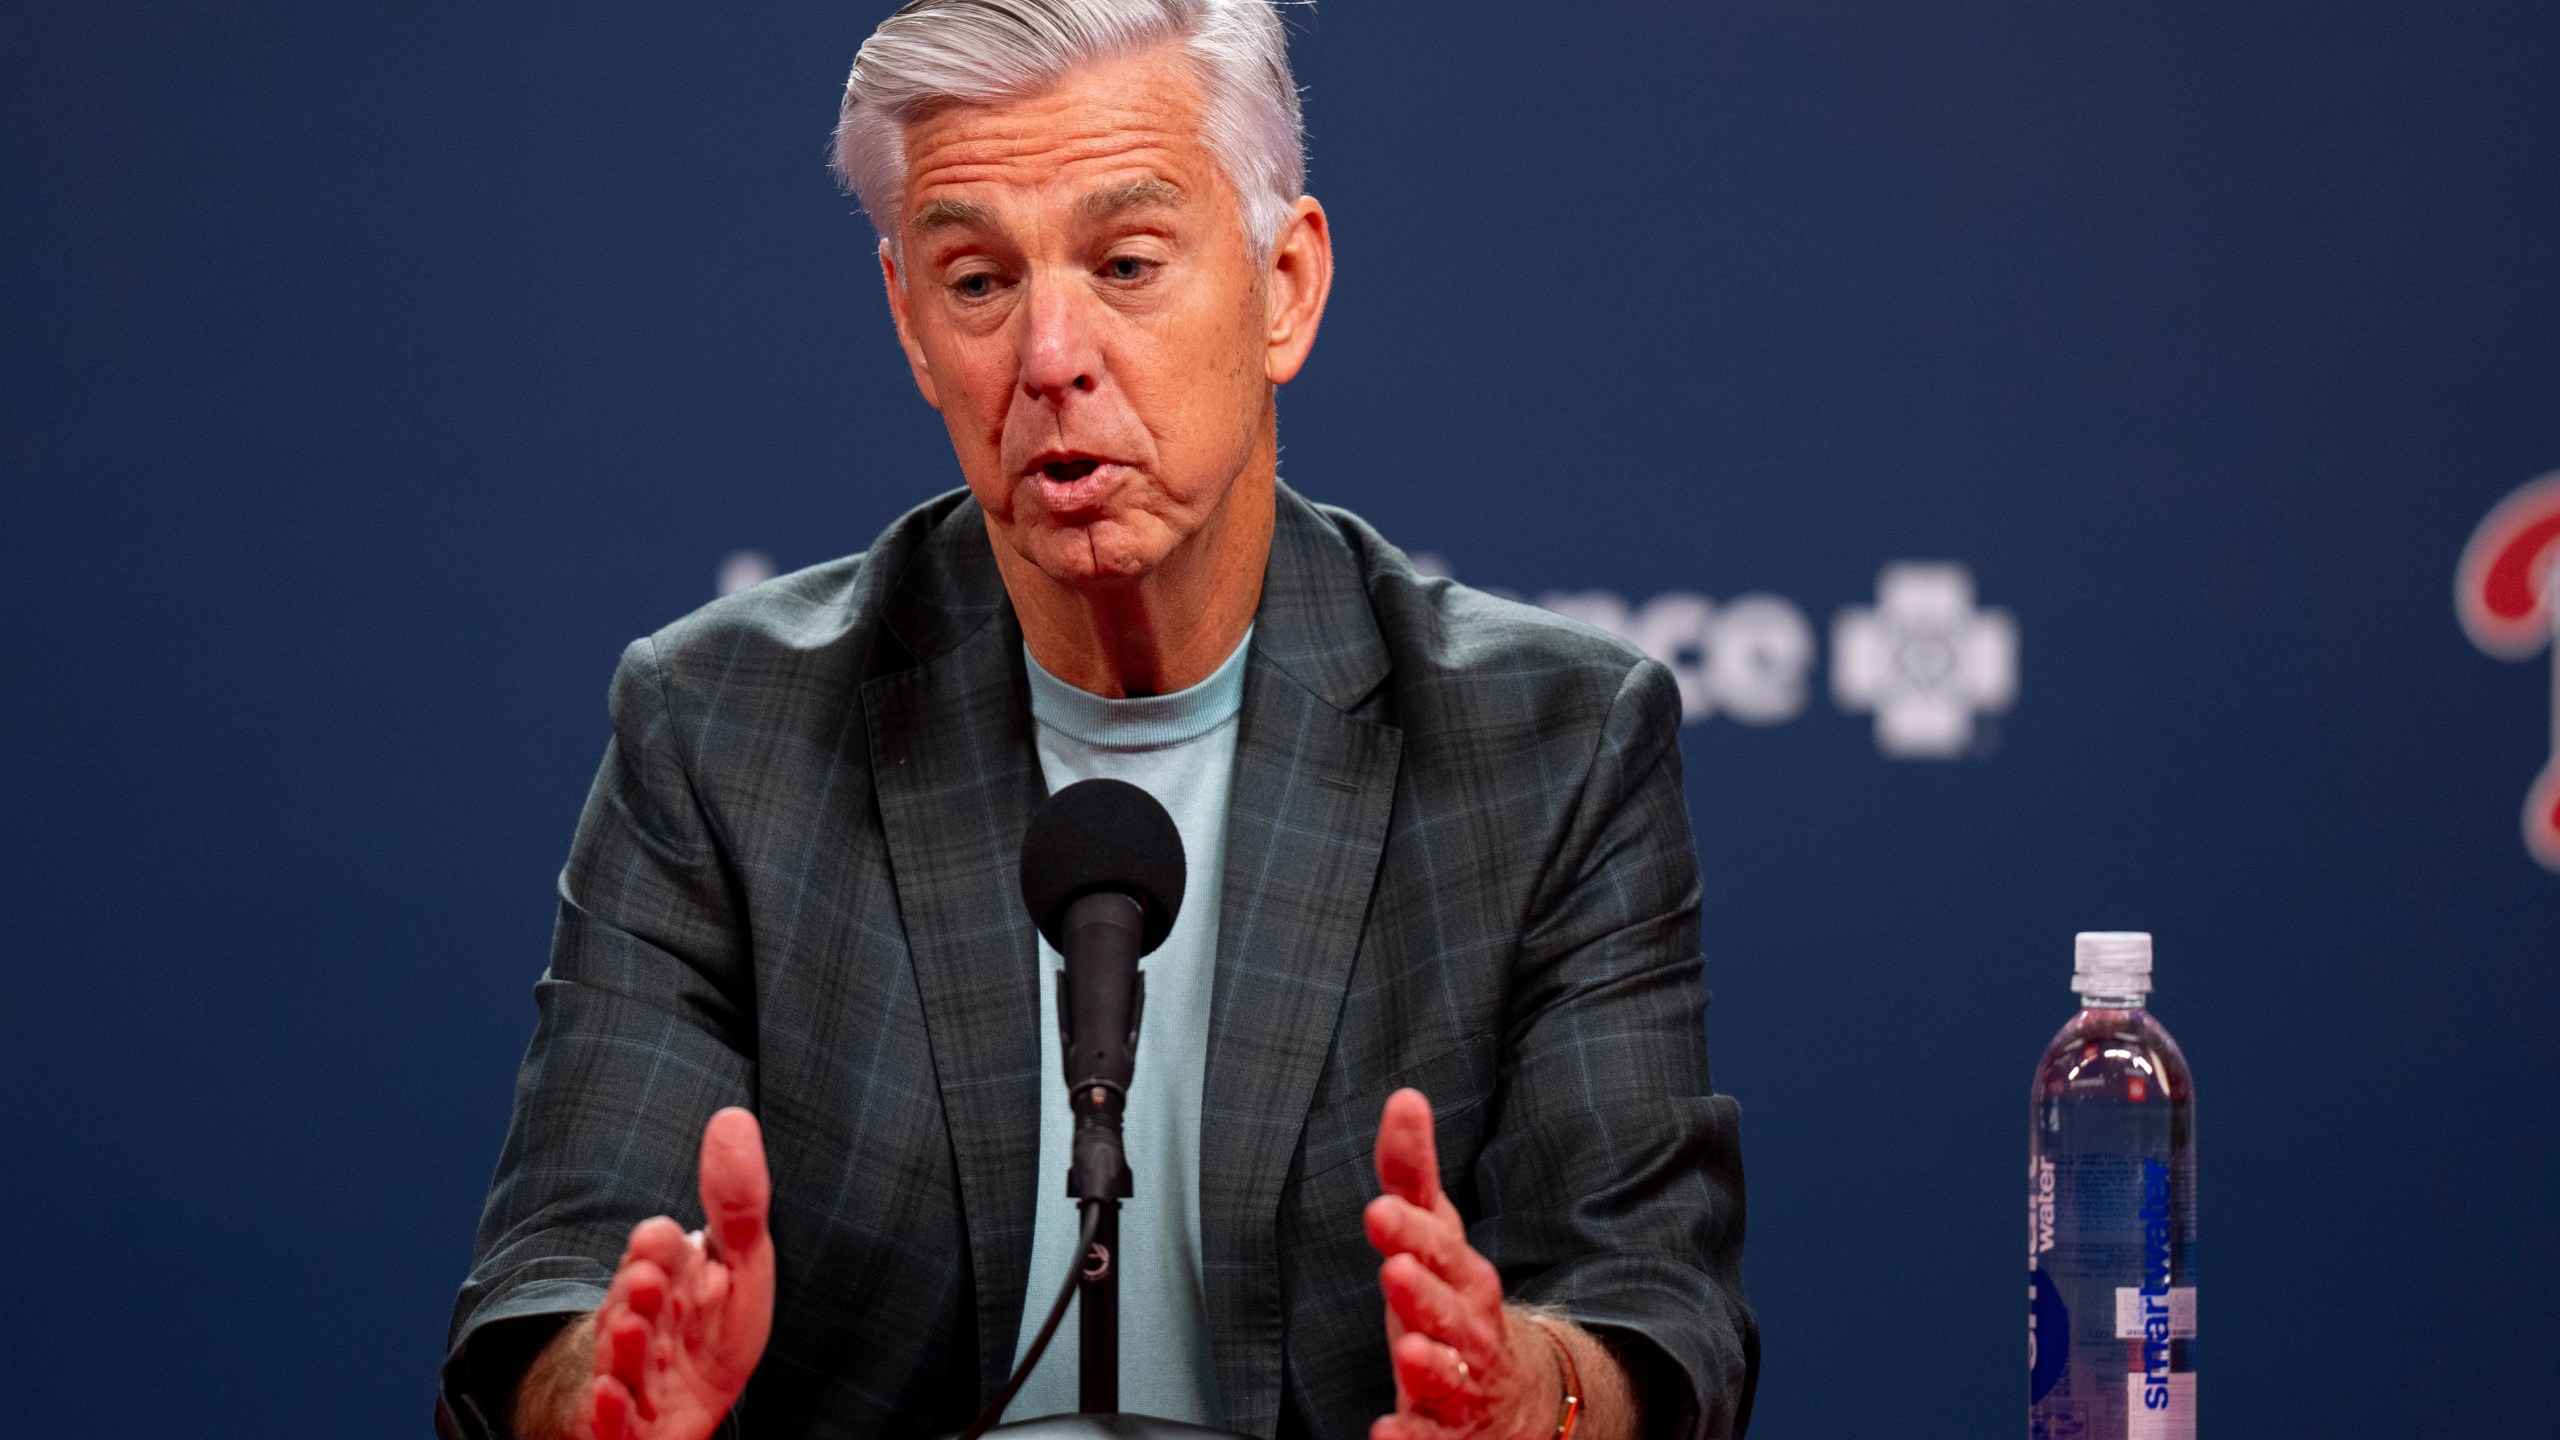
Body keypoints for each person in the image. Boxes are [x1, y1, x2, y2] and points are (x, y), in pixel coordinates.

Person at [437, 4, 1757, 1438]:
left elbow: (1651, 1309)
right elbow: (555, 1284)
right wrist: (603, 1402)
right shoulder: (718, 730)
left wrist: (1534, 1395)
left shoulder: (1552, 745)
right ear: (910, 324)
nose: (1049, 353)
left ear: (1284, 286)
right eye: (978, 281)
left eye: (1127, 263)